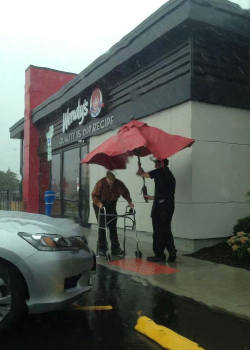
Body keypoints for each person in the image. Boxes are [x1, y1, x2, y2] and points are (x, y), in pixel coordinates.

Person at [137, 158, 177, 263]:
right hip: (169, 207)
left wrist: (139, 166)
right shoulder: (170, 175)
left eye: (156, 163)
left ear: (162, 163)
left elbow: (142, 174)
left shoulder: (160, 172)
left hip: (160, 208)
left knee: (158, 231)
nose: (155, 165)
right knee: (166, 229)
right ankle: (172, 251)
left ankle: (159, 255)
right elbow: (165, 194)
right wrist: (152, 197)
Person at [92, 171, 134, 256]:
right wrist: (99, 204)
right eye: (110, 181)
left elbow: (125, 192)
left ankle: (115, 248)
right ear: (106, 179)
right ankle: (102, 248)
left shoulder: (118, 184)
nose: (111, 183)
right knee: (102, 226)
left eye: (113, 181)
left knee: (112, 225)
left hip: (111, 204)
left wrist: (129, 202)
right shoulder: (100, 183)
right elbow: (94, 196)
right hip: (100, 204)